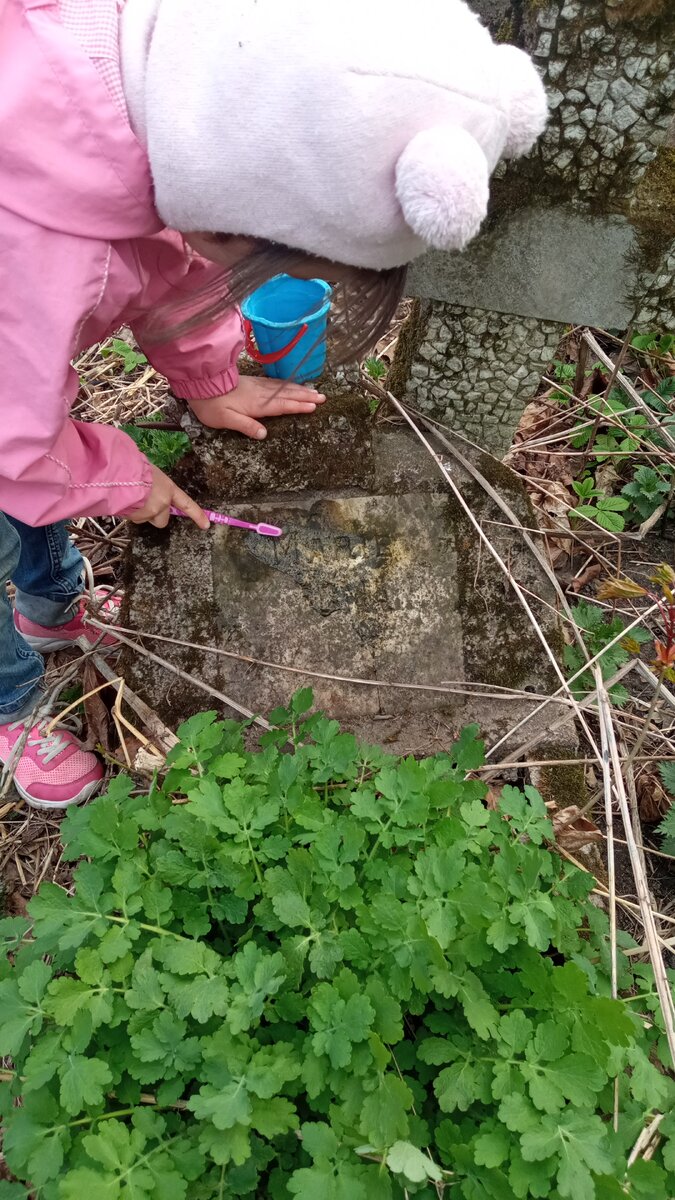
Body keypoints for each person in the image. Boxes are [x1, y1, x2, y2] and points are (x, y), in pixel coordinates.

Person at [0, 0, 548, 809]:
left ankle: (52, 607)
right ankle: (10, 703)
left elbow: (171, 264)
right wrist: (123, 477)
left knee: (35, 503)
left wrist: (210, 379)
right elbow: (13, 440)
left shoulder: (180, 99)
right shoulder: (32, 246)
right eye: (260, 261)